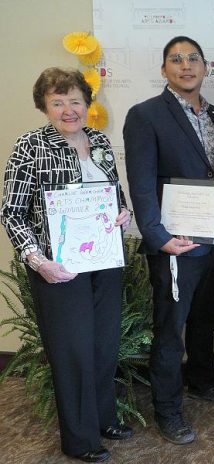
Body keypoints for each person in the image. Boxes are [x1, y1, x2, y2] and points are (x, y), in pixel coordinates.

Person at [1, 67, 133, 462]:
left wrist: (122, 213)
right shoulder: (30, 146)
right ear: (44, 105)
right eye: (58, 102)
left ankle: (104, 418)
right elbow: (12, 212)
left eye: (75, 100)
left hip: (104, 260)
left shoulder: (99, 140)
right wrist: (37, 260)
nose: (68, 109)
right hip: (58, 268)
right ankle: (79, 440)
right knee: (73, 350)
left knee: (103, 345)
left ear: (87, 104)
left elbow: (114, 193)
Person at [123, 36, 214, 446]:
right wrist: (158, 239)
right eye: (176, 59)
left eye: (193, 59)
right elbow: (140, 185)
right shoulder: (145, 115)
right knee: (170, 329)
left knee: (206, 319)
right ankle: (168, 410)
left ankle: (203, 380)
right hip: (174, 243)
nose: (185, 65)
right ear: (164, 70)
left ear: (205, 67)